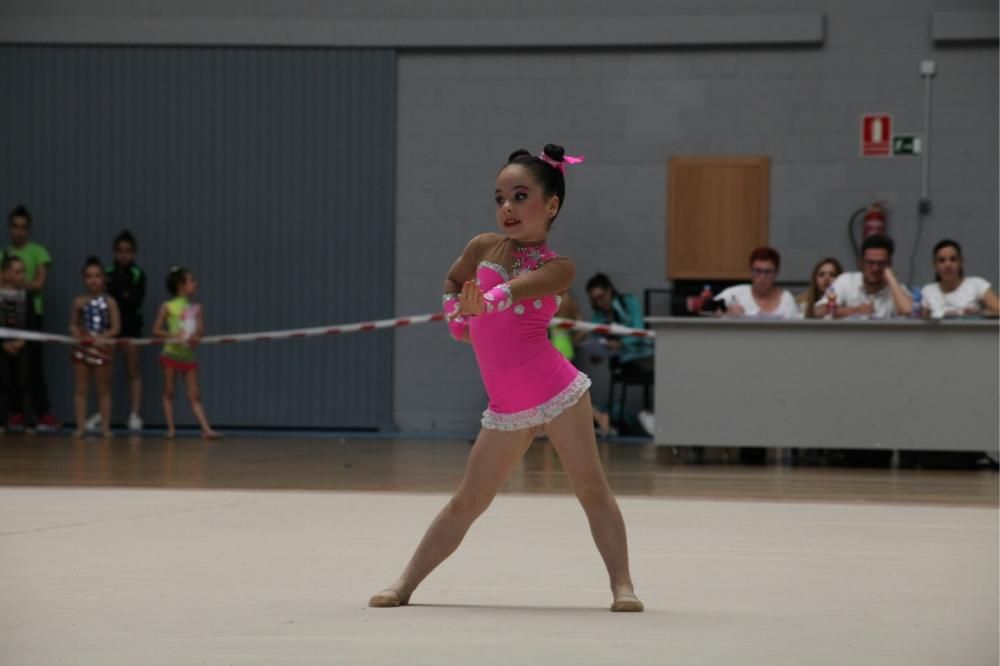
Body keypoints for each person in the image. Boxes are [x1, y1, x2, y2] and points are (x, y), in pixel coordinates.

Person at [369, 145, 642, 612]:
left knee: (591, 488)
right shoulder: (481, 247)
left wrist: (483, 305)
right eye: (499, 198)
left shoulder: (558, 267)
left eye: (519, 197)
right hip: (506, 405)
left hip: (556, 391)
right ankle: (405, 582)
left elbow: (513, 292)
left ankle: (623, 587)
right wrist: (457, 317)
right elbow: (453, 282)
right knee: (468, 499)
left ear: (551, 206)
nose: (506, 208)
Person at [5, 206, 60, 431]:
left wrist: (19, 284)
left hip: (31, 312)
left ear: (28, 230)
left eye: (23, 227)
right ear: (10, 228)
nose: (19, 232)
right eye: (15, 227)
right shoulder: (4, 254)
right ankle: (15, 412)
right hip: (6, 314)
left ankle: (41, 412)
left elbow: (38, 284)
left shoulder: (39, 252)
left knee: (33, 366)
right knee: (9, 366)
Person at [152, 266, 221, 440]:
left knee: (194, 394)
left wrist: (196, 336)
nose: (195, 284)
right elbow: (156, 330)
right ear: (181, 285)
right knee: (169, 390)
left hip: (188, 356)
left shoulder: (196, 308)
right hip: (171, 354)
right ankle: (171, 429)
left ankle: (206, 429)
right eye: (191, 280)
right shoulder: (167, 306)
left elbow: (200, 332)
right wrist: (173, 335)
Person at [88, 231, 146, 433]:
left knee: (134, 370)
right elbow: (103, 298)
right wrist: (123, 295)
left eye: (128, 251)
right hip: (109, 330)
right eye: (120, 251)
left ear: (134, 253)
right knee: (105, 373)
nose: (124, 255)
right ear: (115, 252)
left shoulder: (138, 274)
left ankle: (135, 415)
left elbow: (134, 301)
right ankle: (101, 414)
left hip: (130, 329)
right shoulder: (107, 272)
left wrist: (121, 296)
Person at [585, 272, 654, 434]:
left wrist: (621, 343)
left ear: (609, 291)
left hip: (645, 354)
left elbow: (639, 332)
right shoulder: (596, 320)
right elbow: (597, 355)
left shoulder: (629, 302)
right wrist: (597, 354)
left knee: (663, 366)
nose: (599, 302)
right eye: (594, 300)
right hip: (624, 363)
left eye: (601, 297)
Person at [70, 257, 120, 439]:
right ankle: (81, 427)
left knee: (103, 389)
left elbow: (116, 328)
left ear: (104, 278)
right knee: (81, 388)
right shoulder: (78, 302)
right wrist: (77, 333)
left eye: (97, 276)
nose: (93, 280)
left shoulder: (110, 302)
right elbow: (73, 325)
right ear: (84, 279)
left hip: (102, 349)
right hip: (82, 348)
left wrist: (102, 338)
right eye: (89, 276)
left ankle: (105, 428)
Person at [815, 235, 912, 319]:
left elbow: (908, 311)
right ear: (860, 262)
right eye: (870, 262)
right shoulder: (846, 281)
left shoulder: (896, 290)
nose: (875, 268)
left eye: (881, 263)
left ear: (889, 264)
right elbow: (819, 310)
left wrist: (891, 278)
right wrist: (855, 311)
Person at [0, 253, 40, 434]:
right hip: (2, 346)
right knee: (3, 382)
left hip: (23, 345)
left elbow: (32, 321)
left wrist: (22, 340)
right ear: (5, 273)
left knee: (26, 381)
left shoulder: (27, 296)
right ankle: (2, 421)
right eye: (17, 272)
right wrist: (4, 343)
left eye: (23, 272)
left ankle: (29, 421)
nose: (22, 275)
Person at [713, 247, 801, 320]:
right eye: (758, 271)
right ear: (751, 272)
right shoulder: (735, 293)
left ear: (776, 273)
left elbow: (796, 331)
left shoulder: (786, 299)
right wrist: (725, 313)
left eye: (768, 272)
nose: (762, 277)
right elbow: (707, 309)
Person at [920, 239, 999, 319]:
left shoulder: (976, 284)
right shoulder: (928, 290)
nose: (948, 265)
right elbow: (922, 323)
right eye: (942, 260)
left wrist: (978, 313)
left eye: (953, 259)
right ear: (935, 265)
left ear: (961, 262)